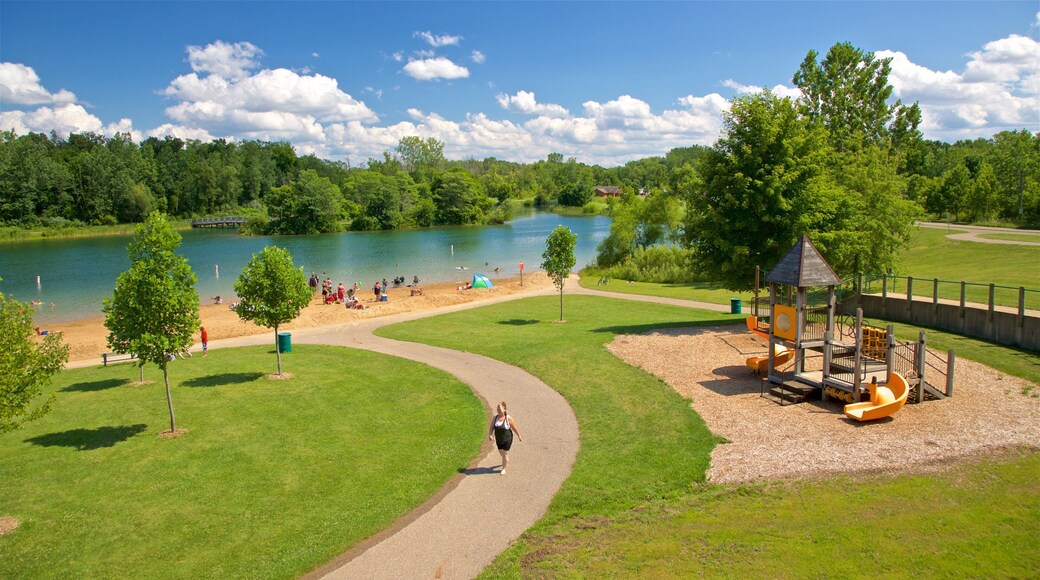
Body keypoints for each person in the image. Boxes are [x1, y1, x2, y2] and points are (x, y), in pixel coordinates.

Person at [487, 401, 523, 475]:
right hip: (499, 440)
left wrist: (519, 435)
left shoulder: (508, 418)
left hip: (507, 439)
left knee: (504, 454)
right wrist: (490, 435)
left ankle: (503, 469)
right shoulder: (495, 418)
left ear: (504, 409)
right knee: (501, 453)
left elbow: (514, 427)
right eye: (497, 409)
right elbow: (491, 428)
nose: (498, 410)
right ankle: (505, 459)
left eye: (500, 409)